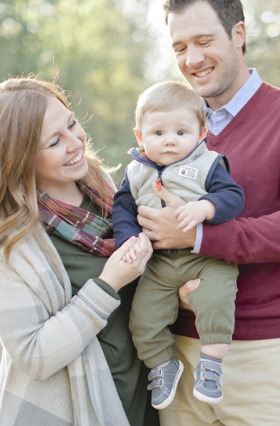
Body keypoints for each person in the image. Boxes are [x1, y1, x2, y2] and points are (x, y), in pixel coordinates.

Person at [135, 1, 280, 424]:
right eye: (179, 47)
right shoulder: (169, 128)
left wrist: (198, 237)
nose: (191, 60)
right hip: (177, 353)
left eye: (204, 41)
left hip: (265, 352)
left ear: (239, 34)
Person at [0, 77, 160, 426]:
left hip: (145, 395)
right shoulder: (6, 240)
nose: (75, 142)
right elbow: (33, 356)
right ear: (18, 157)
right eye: (54, 141)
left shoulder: (104, 190)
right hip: (80, 409)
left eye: (72, 124)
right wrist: (108, 284)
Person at [112, 81, 244, 410]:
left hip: (206, 257)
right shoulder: (135, 171)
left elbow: (233, 197)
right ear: (140, 136)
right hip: (159, 263)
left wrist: (206, 207)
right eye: (158, 133)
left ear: (201, 133)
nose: (170, 139)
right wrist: (128, 238)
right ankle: (161, 364)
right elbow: (122, 209)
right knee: (142, 316)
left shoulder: (208, 163)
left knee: (216, 298)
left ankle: (211, 364)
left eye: (181, 132)